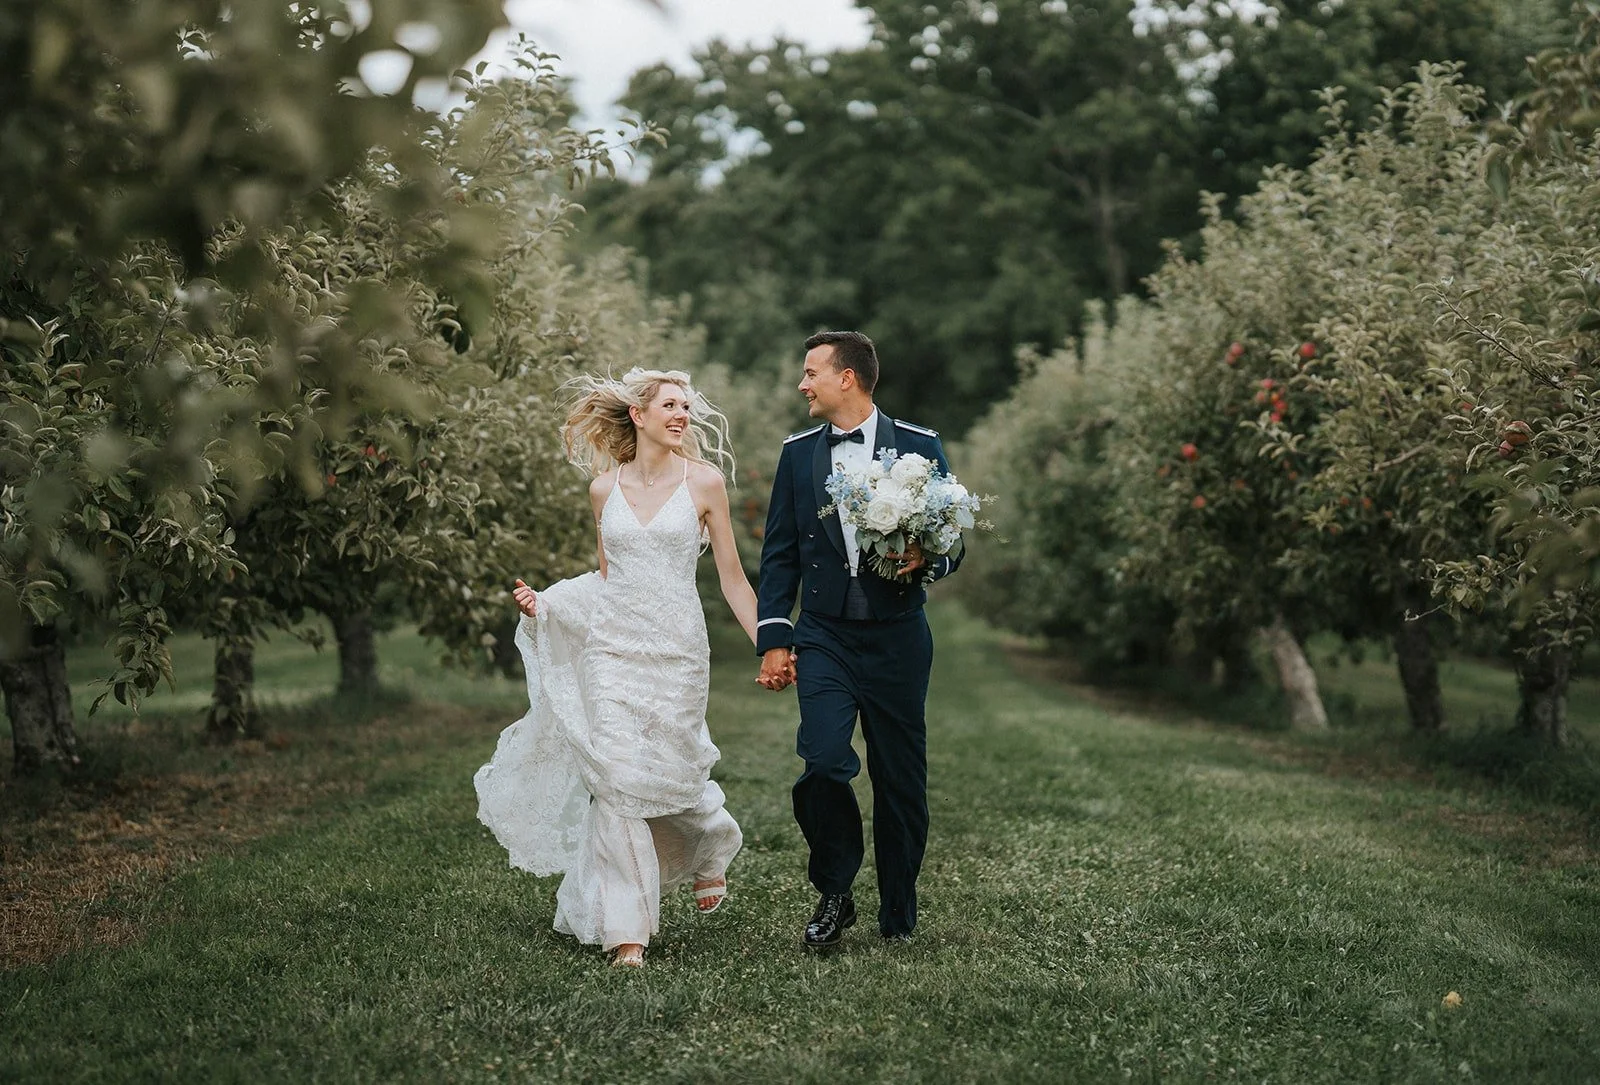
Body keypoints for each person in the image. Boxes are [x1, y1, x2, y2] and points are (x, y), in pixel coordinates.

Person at [474, 368, 763, 968]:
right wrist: (548, 604)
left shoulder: (705, 483)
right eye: (671, 406)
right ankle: (625, 932)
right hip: (613, 650)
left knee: (675, 771)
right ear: (639, 415)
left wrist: (770, 642)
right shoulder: (604, 491)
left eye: (686, 407)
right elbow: (608, 581)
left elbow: (732, 578)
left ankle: (711, 839)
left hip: (678, 650)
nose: (683, 416)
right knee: (616, 780)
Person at [755, 330, 963, 949]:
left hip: (899, 637)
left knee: (900, 779)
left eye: (811, 371)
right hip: (823, 636)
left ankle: (898, 911)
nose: (802, 383)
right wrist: (775, 635)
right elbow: (780, 555)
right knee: (822, 762)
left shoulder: (920, 447)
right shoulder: (797, 455)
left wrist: (928, 557)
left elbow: (954, 540)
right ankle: (834, 891)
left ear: (847, 377)